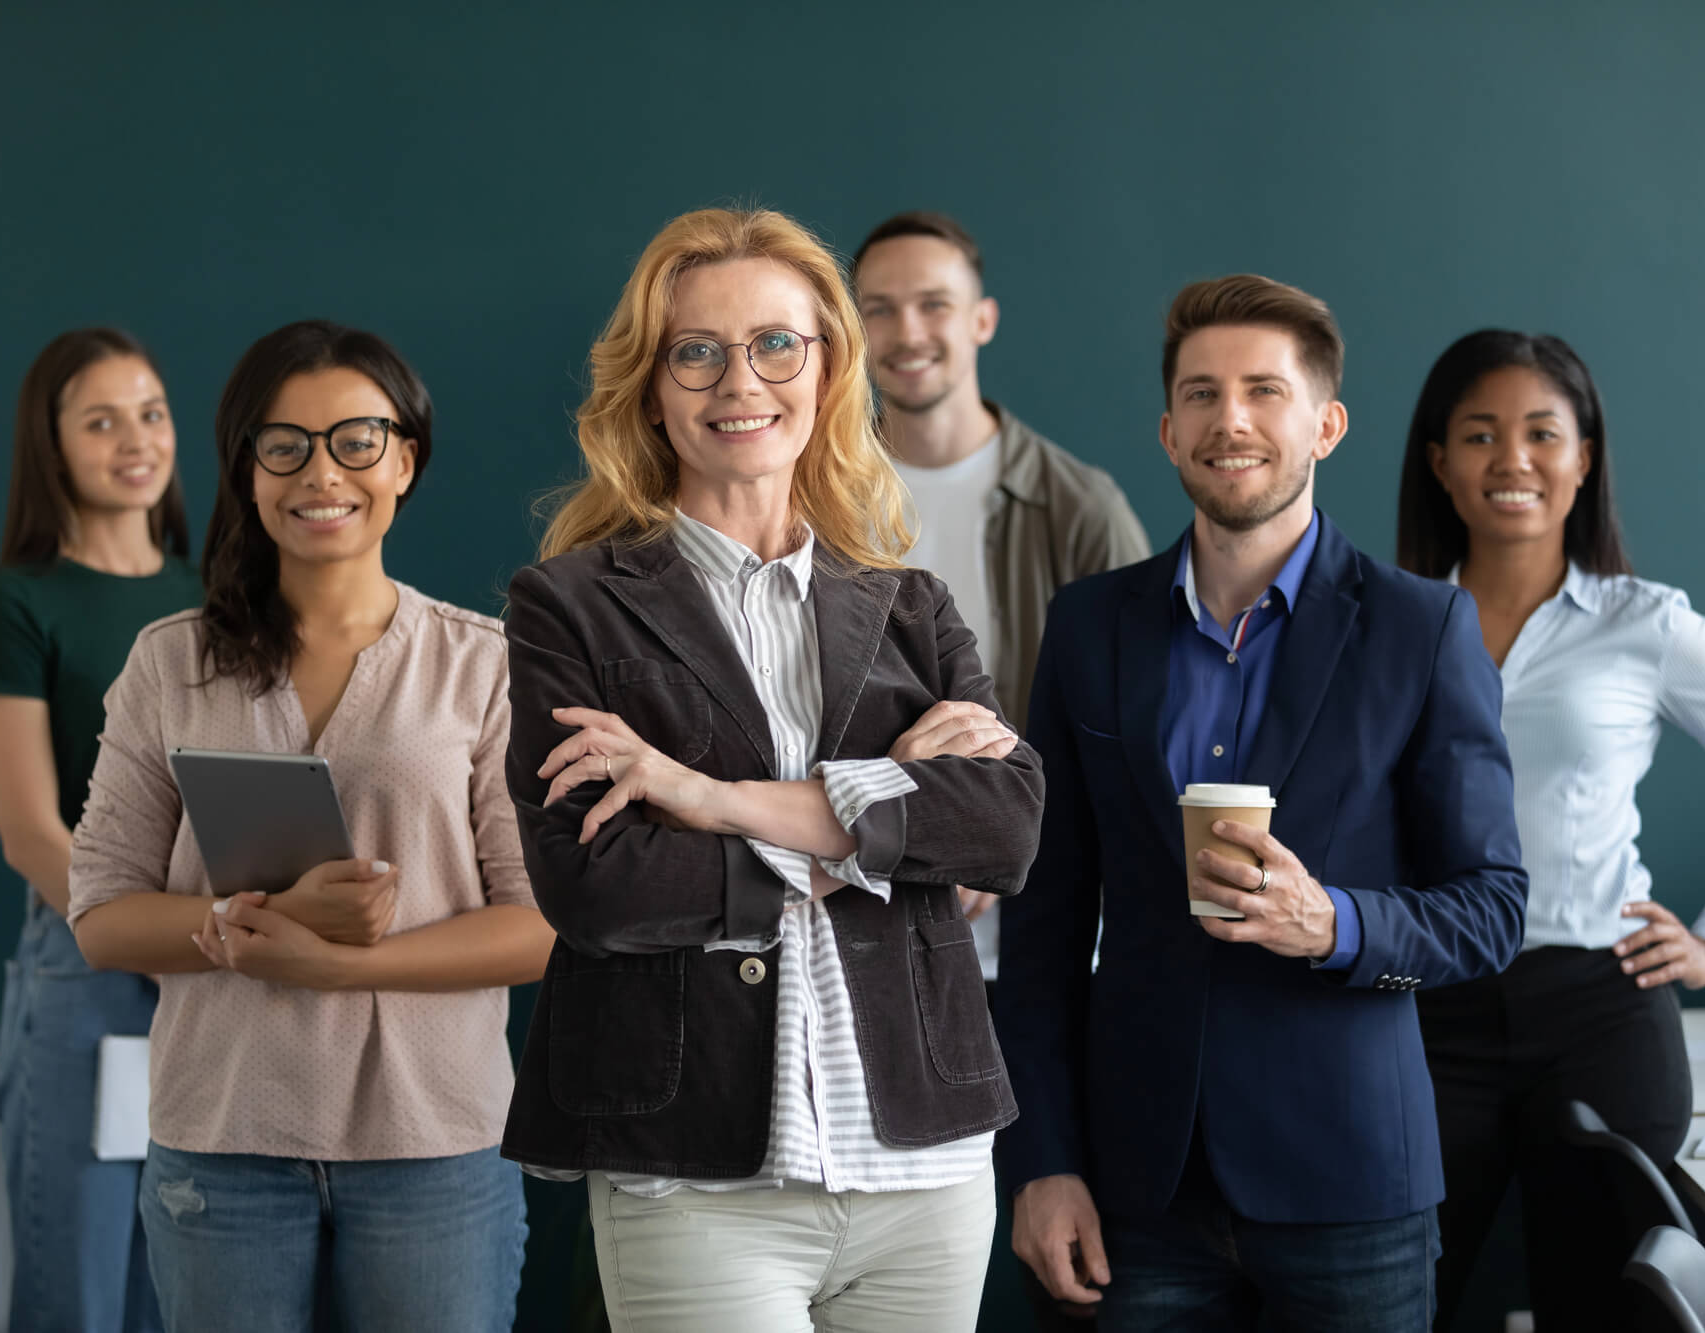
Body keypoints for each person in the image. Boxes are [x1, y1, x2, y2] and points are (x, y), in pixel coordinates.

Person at [497, 206, 1045, 1333]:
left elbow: (1001, 830)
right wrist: (881, 815)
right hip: (693, 1169)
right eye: (696, 350)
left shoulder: (908, 604)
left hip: (923, 1160)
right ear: (651, 386)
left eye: (774, 345)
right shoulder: (569, 606)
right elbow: (596, 886)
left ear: (825, 368)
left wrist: (699, 798)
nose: (738, 380)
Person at [996, 275, 1529, 1331]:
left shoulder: (1420, 629)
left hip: (1352, 1181)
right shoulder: (1088, 625)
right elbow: (1042, 928)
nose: (1228, 419)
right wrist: (1042, 1162)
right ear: (1165, 429)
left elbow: (1490, 906)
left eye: (1261, 391)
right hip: (1134, 1188)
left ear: (1324, 423)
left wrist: (1330, 922)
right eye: (1199, 394)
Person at [67, 320, 551, 1333]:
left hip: (434, 1148)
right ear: (245, 469)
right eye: (282, 445)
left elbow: (538, 927)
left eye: (355, 441)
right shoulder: (169, 664)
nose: (319, 471)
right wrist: (262, 920)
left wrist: (342, 965)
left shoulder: (484, 663)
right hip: (221, 1142)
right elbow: (103, 915)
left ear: (404, 458)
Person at [1396, 329, 1705, 1330]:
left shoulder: (1648, 624)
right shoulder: (1382, 622)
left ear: (1584, 456)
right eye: (1477, 434)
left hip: (1601, 1007)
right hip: (1429, 1011)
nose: (1509, 459)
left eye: (1539, 433)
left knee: (1603, 1305)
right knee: (1393, 1298)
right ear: (1437, 462)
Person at [0, 327, 196, 1333]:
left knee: (179, 1291)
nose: (134, 439)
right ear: (50, 445)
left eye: (150, 411)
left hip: (209, 968)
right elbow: (28, 831)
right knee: (81, 1293)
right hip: (91, 967)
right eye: (99, 420)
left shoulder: (209, 593)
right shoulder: (21, 600)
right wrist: (149, 940)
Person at [852, 209, 1149, 973]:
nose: (906, 331)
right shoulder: (813, 504)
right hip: (857, 931)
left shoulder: (1079, 507)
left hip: (1040, 946)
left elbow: (1139, 728)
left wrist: (984, 831)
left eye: (933, 304)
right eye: (877, 309)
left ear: (982, 319)